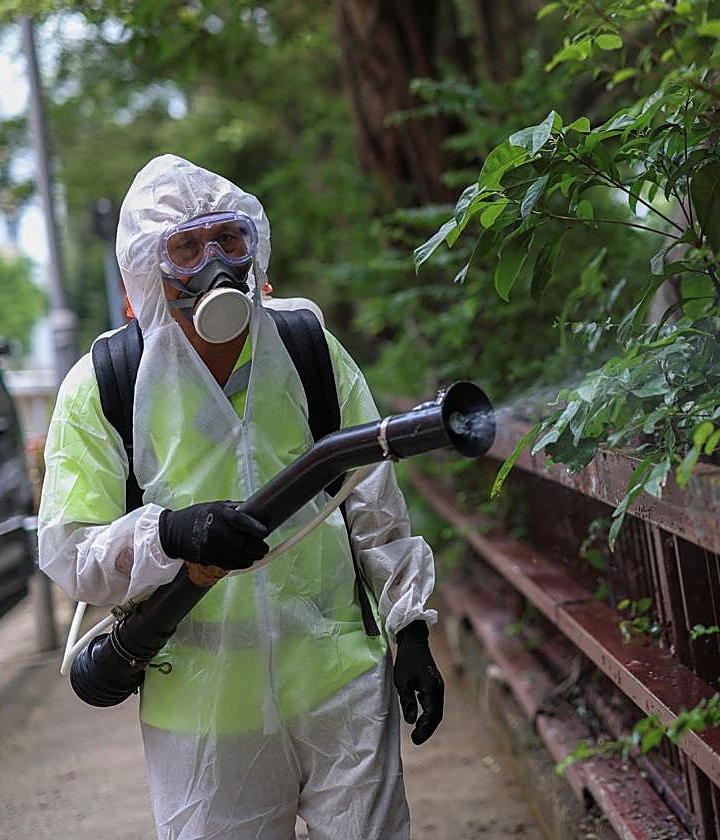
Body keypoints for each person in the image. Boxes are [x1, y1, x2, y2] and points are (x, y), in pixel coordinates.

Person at [37, 154, 443, 839]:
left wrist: (412, 629)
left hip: (337, 683)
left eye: (229, 238)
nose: (213, 263)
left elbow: (373, 501)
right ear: (148, 269)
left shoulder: (307, 347)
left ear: (254, 247)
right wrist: (169, 533)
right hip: (203, 715)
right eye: (186, 247)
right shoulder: (106, 383)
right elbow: (72, 551)